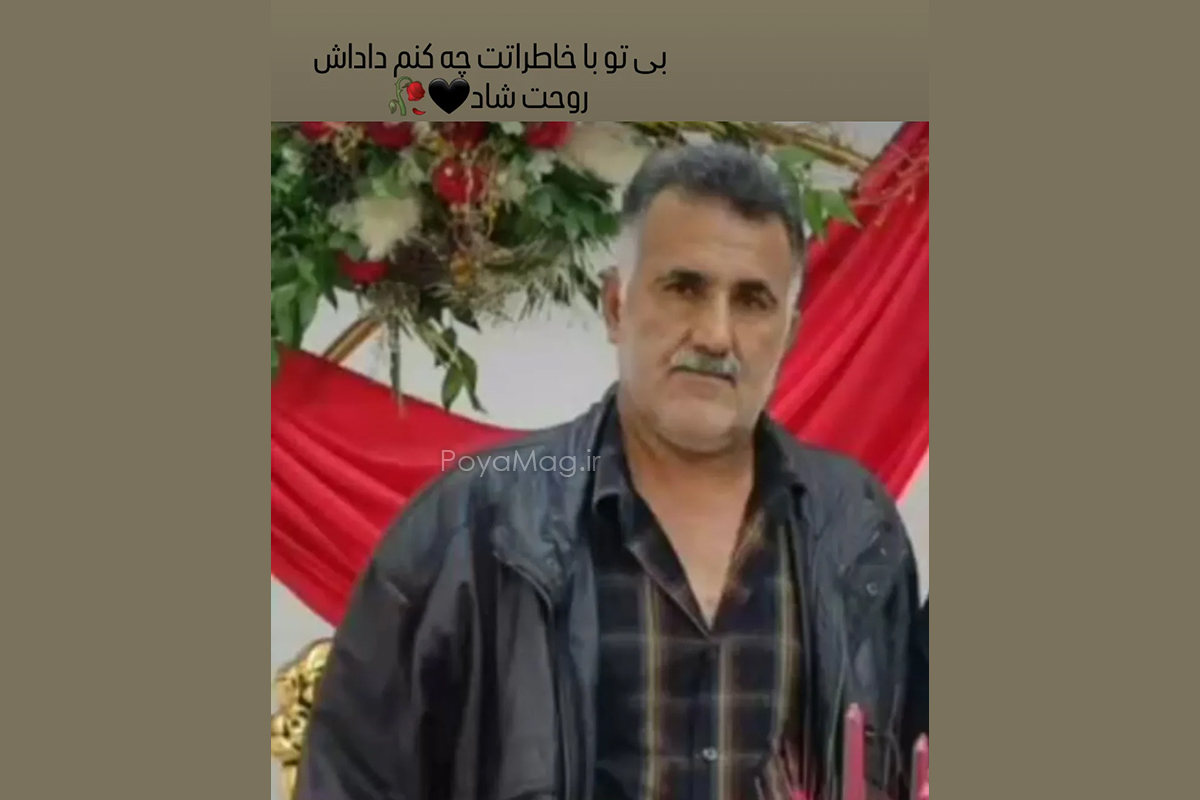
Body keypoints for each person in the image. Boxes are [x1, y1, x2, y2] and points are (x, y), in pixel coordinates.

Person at [295, 143, 923, 800]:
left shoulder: (855, 529)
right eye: (684, 288)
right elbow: (350, 783)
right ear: (617, 306)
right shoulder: (471, 528)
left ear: (789, 335)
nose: (715, 334)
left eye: (752, 301)